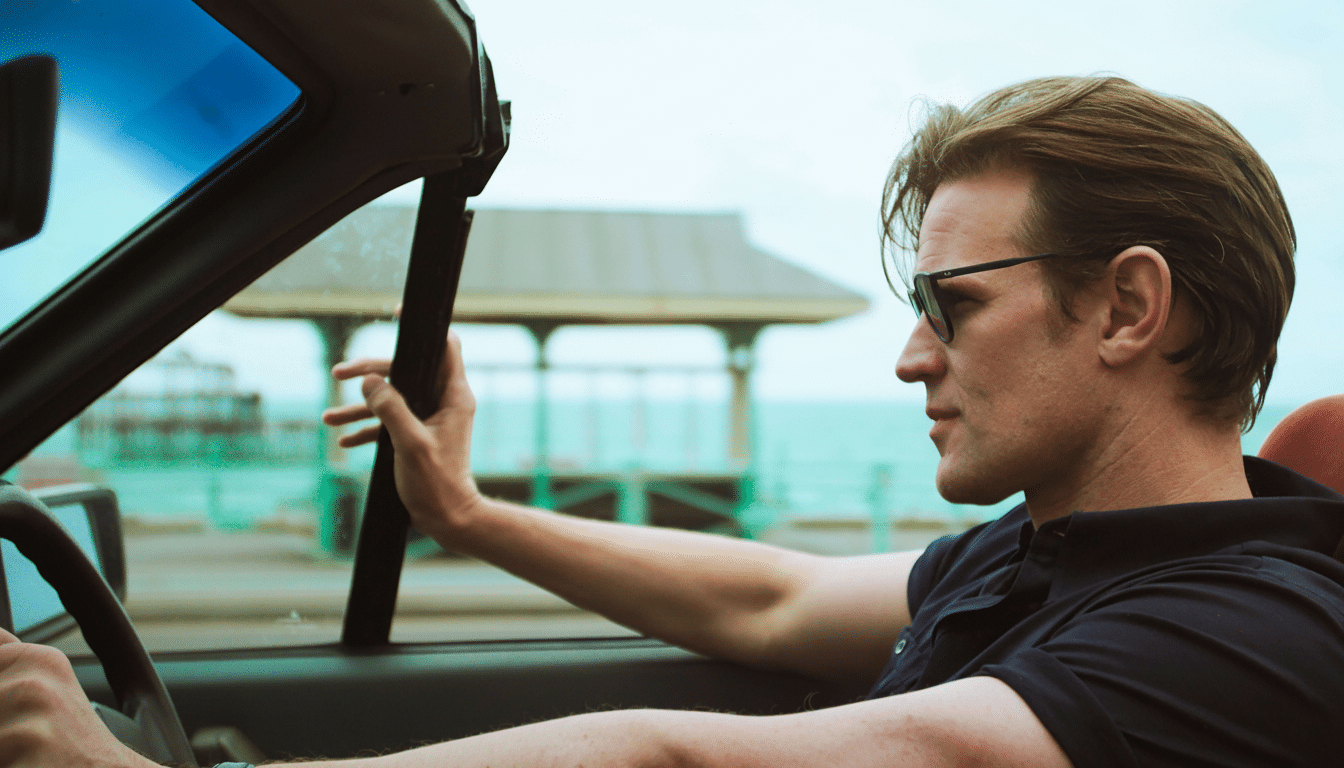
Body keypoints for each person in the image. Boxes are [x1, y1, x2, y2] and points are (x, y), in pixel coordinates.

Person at [4, 74, 1344, 767]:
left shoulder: (1250, 636)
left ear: (1127, 308)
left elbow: (682, 756)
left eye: (952, 303)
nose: (907, 357)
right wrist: (464, 516)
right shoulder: (1041, 552)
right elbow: (767, 600)